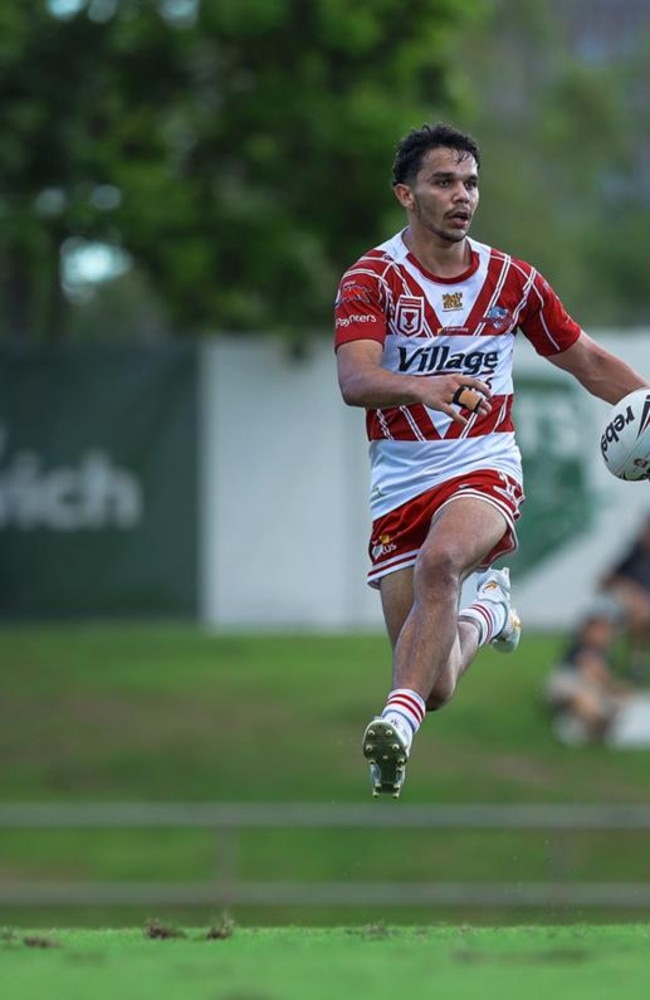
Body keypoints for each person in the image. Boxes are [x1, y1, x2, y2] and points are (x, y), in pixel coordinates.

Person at [333, 122, 649, 798]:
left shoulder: (512, 280)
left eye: (471, 183)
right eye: (444, 181)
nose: (461, 195)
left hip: (483, 467)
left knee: (442, 562)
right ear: (405, 194)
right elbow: (356, 382)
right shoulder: (372, 279)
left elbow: (588, 362)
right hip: (399, 481)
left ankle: (395, 727)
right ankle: (490, 614)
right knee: (437, 680)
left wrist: (647, 402)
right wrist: (429, 386)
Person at [598, 514, 650, 680]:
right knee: (639, 608)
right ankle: (636, 661)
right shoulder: (635, 553)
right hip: (630, 603)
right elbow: (604, 580)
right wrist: (628, 586)